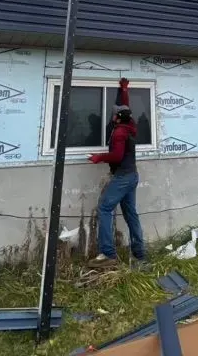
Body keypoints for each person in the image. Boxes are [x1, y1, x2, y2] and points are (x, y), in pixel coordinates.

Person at [87, 77, 146, 268]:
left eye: (114, 115)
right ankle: (139, 253)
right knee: (131, 214)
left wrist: (99, 158)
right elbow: (124, 107)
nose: (112, 116)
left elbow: (117, 156)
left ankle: (108, 254)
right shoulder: (130, 125)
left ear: (118, 118)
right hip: (132, 176)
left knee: (104, 208)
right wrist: (124, 90)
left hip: (123, 177)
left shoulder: (120, 132)